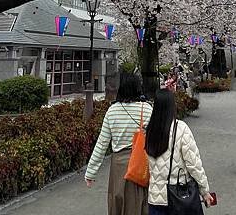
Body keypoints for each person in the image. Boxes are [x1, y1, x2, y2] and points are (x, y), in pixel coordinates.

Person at [85, 72, 153, 215]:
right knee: (139, 202)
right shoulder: (146, 109)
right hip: (141, 163)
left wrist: (91, 172)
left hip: (118, 165)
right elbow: (156, 139)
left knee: (117, 200)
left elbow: (102, 143)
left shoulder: (112, 111)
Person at [145, 89, 215, 214]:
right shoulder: (181, 128)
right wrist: (204, 191)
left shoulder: (149, 130)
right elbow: (194, 164)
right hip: (179, 197)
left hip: (155, 199)